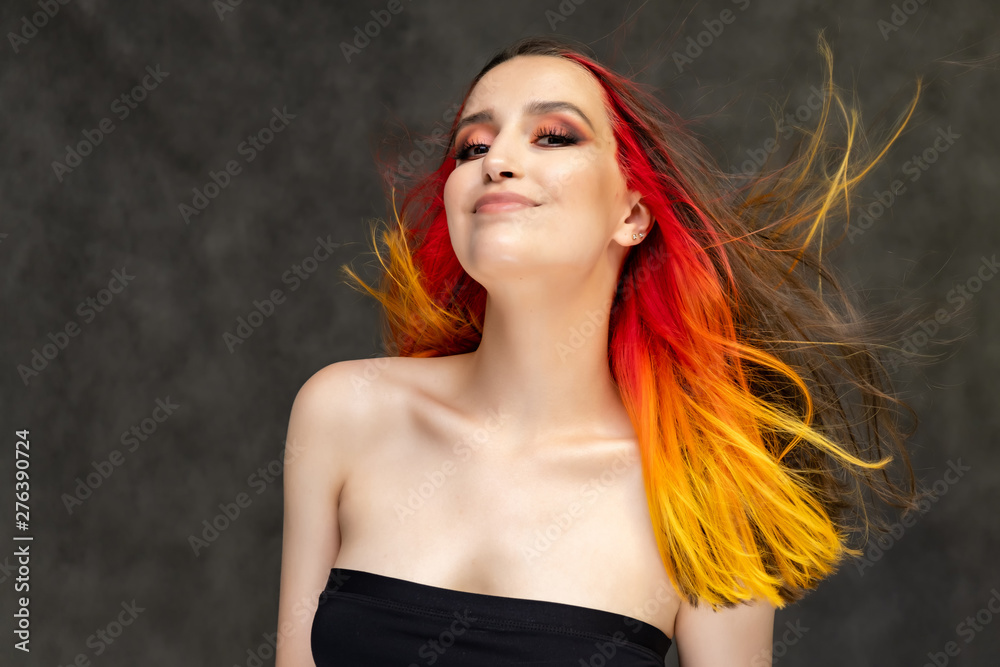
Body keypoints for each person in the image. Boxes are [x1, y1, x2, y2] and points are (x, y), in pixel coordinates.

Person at [276, 33, 924, 666]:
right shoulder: (343, 411)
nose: (496, 159)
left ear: (633, 214)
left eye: (554, 135)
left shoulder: (701, 490)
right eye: (471, 146)